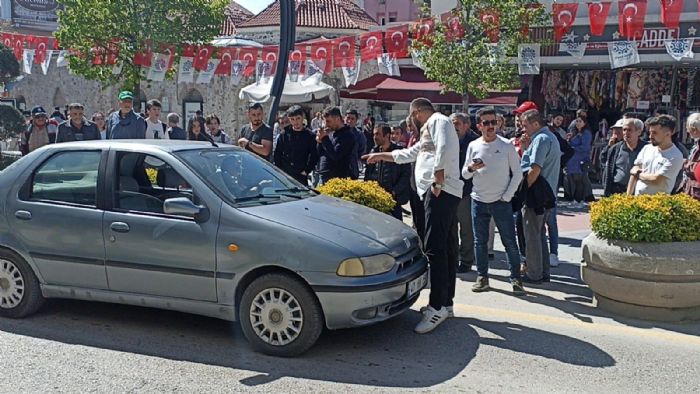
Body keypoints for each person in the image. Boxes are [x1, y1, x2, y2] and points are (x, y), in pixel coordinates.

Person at [363, 97, 462, 334]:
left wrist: (437, 182)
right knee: (446, 248)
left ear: (416, 113)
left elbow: (445, 148)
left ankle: (437, 305)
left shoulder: (439, 121)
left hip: (440, 190)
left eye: (410, 118)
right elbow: (410, 154)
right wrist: (380, 156)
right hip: (440, 190)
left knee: (435, 248)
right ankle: (445, 303)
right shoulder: (429, 129)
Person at [462, 107, 525, 295]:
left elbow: (518, 173)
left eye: (494, 122)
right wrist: (472, 168)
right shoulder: (473, 145)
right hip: (478, 201)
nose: (491, 126)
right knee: (480, 243)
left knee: (509, 242)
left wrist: (507, 196)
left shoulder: (506, 146)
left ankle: (516, 279)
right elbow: (464, 174)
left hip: (501, 202)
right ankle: (482, 277)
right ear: (479, 125)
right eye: (487, 123)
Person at [519, 109, 560, 283]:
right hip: (546, 195)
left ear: (536, 124)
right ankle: (543, 272)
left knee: (533, 235)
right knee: (539, 234)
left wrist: (523, 190)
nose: (523, 129)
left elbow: (535, 168)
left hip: (537, 195)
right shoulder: (549, 137)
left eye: (525, 125)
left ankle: (534, 274)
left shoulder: (541, 139)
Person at [450, 112, 479, 273]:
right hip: (451, 189)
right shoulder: (449, 139)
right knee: (451, 227)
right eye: (452, 123)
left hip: (467, 190)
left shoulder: (475, 142)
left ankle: (466, 260)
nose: (454, 127)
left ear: (467, 125)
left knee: (466, 229)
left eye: (457, 123)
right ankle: (453, 258)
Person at [364, 124, 411, 220]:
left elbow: (406, 175)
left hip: (393, 199)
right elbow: (368, 174)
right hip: (376, 198)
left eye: (377, 134)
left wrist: (394, 191)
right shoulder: (374, 151)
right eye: (374, 134)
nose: (375, 137)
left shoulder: (398, 152)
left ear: (387, 136)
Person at [628, 115, 684, 196]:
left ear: (668, 134)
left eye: (654, 133)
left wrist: (638, 174)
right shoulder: (647, 148)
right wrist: (628, 197)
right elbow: (634, 171)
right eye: (650, 132)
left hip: (658, 205)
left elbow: (656, 179)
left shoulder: (675, 156)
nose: (650, 136)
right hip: (637, 201)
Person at [273, 105, 319, 185]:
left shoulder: (310, 136)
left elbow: (314, 155)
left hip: (301, 174)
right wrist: (279, 170)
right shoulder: (284, 134)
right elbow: (277, 153)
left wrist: (307, 170)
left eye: (298, 118)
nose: (295, 122)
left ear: (302, 117)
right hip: (285, 173)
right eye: (292, 119)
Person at [602, 118, 646, 196]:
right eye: (624, 130)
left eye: (629, 130)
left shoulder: (647, 148)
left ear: (639, 132)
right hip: (617, 190)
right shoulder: (615, 149)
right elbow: (605, 164)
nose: (626, 133)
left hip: (639, 191)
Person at [316, 107, 356, 184]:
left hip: (337, 179)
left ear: (337, 119)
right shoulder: (330, 132)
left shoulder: (347, 135)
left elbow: (336, 155)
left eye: (328, 121)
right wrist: (319, 141)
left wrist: (324, 138)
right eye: (325, 122)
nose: (326, 125)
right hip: (323, 176)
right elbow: (321, 153)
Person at [406, 116, 426, 241]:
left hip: (421, 182)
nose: (409, 128)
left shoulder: (423, 139)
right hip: (412, 180)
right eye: (408, 125)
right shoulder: (412, 138)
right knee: (415, 214)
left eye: (411, 125)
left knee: (422, 216)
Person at [565, 117, 593, 207]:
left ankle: (579, 200)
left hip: (580, 159)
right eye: (576, 121)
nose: (577, 123)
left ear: (584, 123)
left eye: (580, 121)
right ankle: (575, 200)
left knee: (579, 180)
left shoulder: (586, 133)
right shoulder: (575, 133)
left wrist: (573, 148)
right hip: (572, 160)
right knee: (574, 179)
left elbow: (586, 147)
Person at [600, 118, 626, 195]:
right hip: (610, 180)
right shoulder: (613, 144)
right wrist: (609, 146)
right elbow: (603, 159)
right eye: (615, 130)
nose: (616, 133)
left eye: (619, 130)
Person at [682, 113, 700, 200]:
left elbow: (697, 168)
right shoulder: (696, 144)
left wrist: (686, 164)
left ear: (695, 130)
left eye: (689, 129)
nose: (688, 131)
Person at [344, 109, 366, 179]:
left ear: (356, 121)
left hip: (352, 166)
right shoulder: (337, 132)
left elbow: (362, 149)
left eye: (352, 119)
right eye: (348, 118)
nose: (349, 121)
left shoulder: (359, 134)